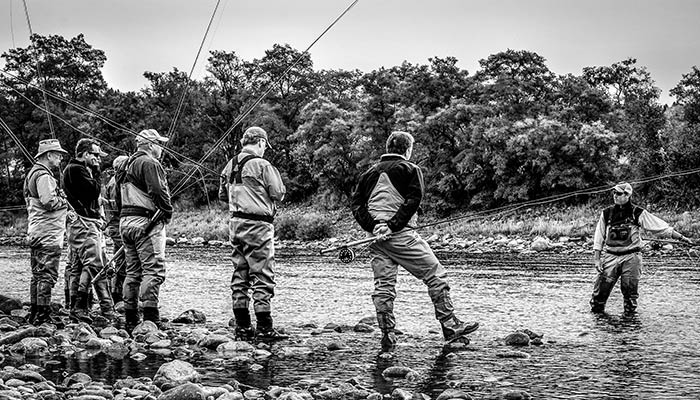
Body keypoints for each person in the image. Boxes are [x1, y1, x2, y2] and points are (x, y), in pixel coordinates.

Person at [351, 131, 479, 351]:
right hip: (401, 235)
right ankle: (450, 325)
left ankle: (387, 336)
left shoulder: (368, 173)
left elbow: (356, 205)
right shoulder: (411, 169)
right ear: (408, 150)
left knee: (383, 287)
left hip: (374, 239)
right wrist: (392, 226)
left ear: (387, 147)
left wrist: (373, 227)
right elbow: (413, 200)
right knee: (435, 274)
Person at [218, 126, 287, 341]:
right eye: (265, 145)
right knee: (263, 275)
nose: (265, 149)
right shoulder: (262, 165)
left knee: (240, 274)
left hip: (235, 225)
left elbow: (222, 195)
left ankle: (242, 327)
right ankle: (265, 328)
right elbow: (278, 194)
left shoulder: (229, 165)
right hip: (258, 226)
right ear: (260, 142)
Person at [590, 182, 694, 314]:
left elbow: (661, 228)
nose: (615, 195)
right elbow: (598, 238)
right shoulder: (606, 213)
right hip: (610, 257)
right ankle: (598, 327)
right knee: (598, 297)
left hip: (631, 258)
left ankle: (630, 329)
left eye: (618, 193)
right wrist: (597, 260)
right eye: (614, 193)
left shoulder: (638, 212)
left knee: (630, 297)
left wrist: (682, 238)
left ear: (628, 195)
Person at [118, 129, 173, 333]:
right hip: (145, 222)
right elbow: (158, 191)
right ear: (150, 145)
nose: (161, 147)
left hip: (125, 222)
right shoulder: (149, 163)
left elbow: (117, 195)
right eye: (159, 143)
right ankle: (151, 317)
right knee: (154, 269)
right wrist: (167, 211)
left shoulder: (125, 164)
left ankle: (130, 317)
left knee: (133, 271)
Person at [62, 138, 114, 323]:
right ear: (85, 154)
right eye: (96, 155)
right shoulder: (77, 169)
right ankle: (80, 306)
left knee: (77, 265)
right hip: (84, 224)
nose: (99, 159)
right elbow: (92, 191)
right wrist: (97, 174)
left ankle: (76, 306)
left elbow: (86, 196)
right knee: (93, 264)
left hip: (82, 222)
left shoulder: (74, 169)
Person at [23, 139, 69, 325]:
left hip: (36, 231)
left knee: (38, 274)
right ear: (48, 155)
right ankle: (43, 315)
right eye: (58, 154)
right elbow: (48, 202)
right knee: (47, 275)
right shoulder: (44, 176)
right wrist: (63, 201)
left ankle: (35, 312)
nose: (60, 158)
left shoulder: (32, 174)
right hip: (48, 233)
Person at [103, 155, 129, 305]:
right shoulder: (116, 184)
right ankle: (118, 295)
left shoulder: (112, 182)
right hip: (117, 225)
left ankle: (116, 293)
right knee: (124, 260)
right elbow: (118, 207)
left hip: (114, 226)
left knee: (119, 259)